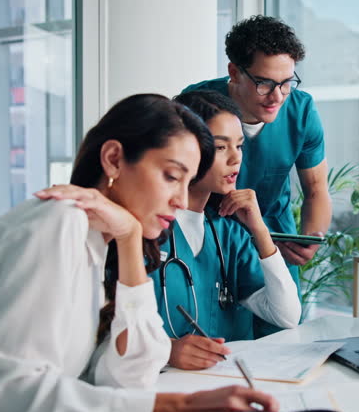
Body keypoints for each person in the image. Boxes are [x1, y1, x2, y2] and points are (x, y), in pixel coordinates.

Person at [0, 94, 277, 412]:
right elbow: (14, 402)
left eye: (189, 184)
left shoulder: (100, 241)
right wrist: (177, 408)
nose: (182, 202)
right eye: (172, 176)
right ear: (114, 159)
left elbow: (129, 377)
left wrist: (132, 241)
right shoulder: (56, 224)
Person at [91, 90, 302, 379]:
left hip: (222, 386)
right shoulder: (140, 230)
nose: (234, 159)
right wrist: (167, 350)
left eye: (239, 146)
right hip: (157, 390)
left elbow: (287, 315)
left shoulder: (227, 233)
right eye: (219, 147)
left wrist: (260, 230)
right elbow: (95, 347)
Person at [182, 16, 332, 301]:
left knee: (280, 329)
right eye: (264, 83)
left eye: (287, 83)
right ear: (235, 72)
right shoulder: (197, 104)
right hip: (213, 234)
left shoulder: (301, 111)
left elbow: (316, 190)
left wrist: (312, 236)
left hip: (274, 237)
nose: (277, 96)